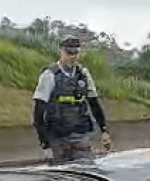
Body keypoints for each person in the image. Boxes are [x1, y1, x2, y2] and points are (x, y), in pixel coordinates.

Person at [32, 35, 112, 163]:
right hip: (57, 136)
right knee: (62, 174)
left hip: (80, 134)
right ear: (61, 51)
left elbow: (94, 103)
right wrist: (45, 144)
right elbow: (38, 112)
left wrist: (104, 131)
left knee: (88, 170)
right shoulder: (49, 75)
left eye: (75, 53)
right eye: (68, 53)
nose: (72, 57)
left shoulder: (84, 75)